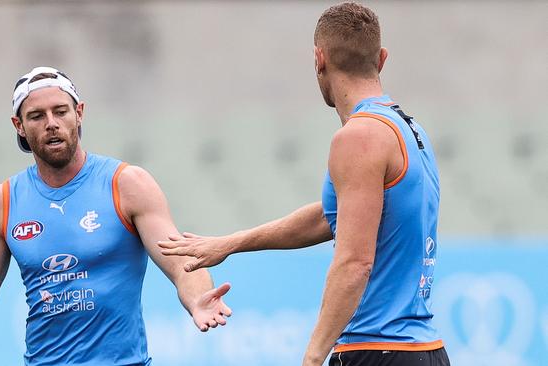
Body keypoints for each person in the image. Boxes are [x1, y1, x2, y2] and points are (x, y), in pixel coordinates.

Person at [159, 2, 450, 366]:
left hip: (377, 350)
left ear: (319, 59)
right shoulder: (409, 128)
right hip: (425, 351)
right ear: (382, 58)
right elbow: (334, 216)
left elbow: (355, 262)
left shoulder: (358, 137)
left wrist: (312, 357)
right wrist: (231, 243)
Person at [0, 66, 232, 366]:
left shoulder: (126, 184)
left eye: (61, 111)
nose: (51, 124)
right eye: (37, 116)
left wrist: (198, 297)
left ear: (79, 113)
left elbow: (182, 264)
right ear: (19, 125)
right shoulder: (3, 202)